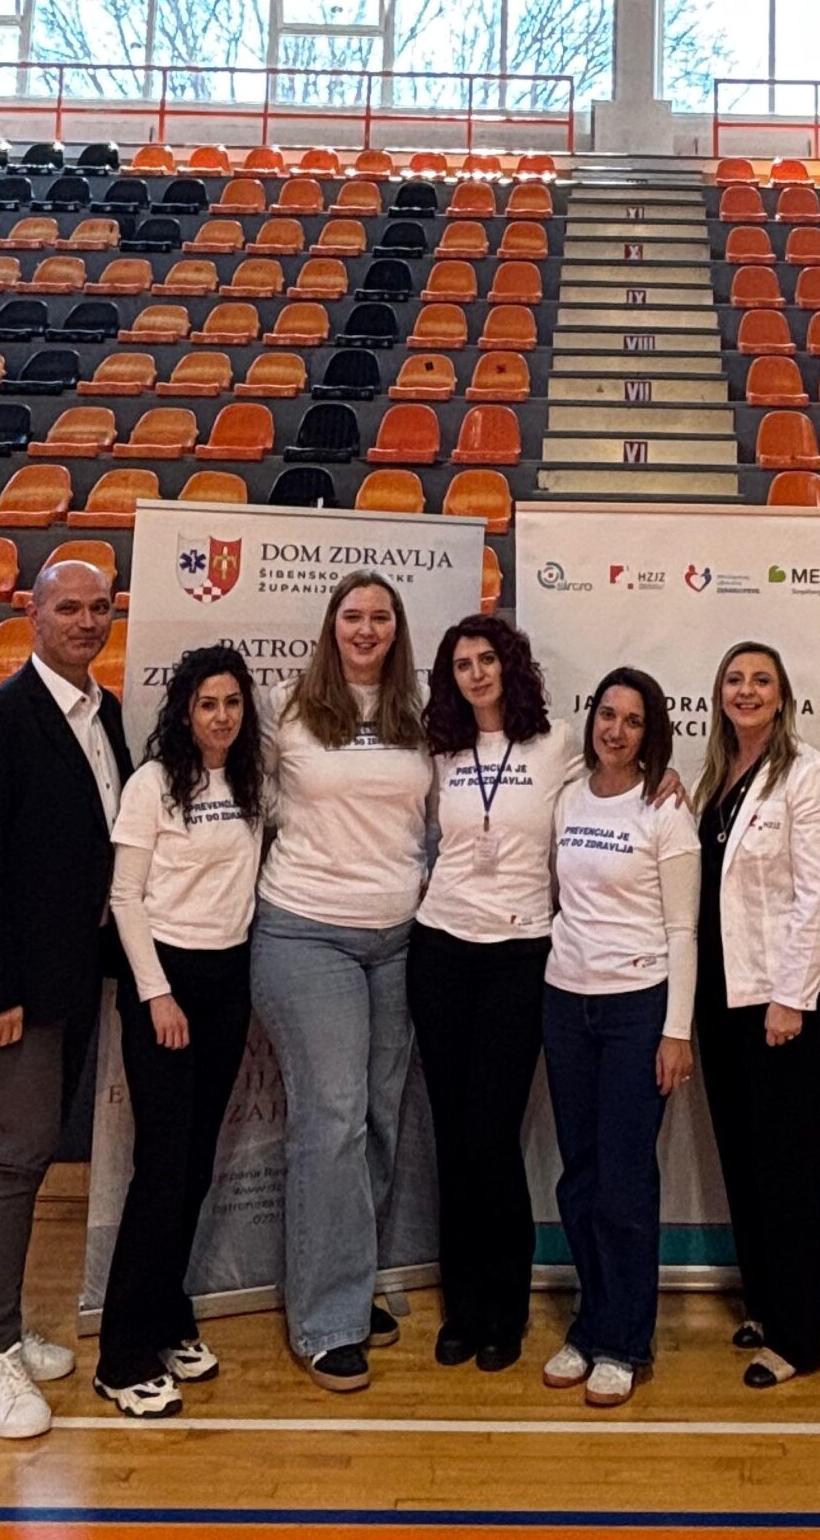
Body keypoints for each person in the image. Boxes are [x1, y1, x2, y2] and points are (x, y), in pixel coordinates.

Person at [0, 559, 130, 1439]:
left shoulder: (105, 714)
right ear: (33, 615)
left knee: (24, 1152)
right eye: (68, 607)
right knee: (15, 1154)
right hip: (8, 989)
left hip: (68, 979)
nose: (86, 621)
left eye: (99, 608)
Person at [248, 573, 433, 1393]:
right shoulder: (285, 706)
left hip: (400, 939)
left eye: (380, 617)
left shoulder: (420, 710)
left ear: (397, 630)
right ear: (331, 626)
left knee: (380, 1119)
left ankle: (351, 1283)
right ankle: (325, 1321)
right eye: (352, 616)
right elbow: (236, 791)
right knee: (332, 1118)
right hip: (305, 931)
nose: (365, 629)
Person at [93, 646, 267, 1417]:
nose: (220, 717)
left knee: (195, 1167)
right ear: (184, 711)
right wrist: (157, 994)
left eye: (231, 703)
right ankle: (122, 1357)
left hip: (228, 982)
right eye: (206, 704)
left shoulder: (253, 781)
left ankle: (166, 1316)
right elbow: (124, 898)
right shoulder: (153, 784)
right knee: (161, 1172)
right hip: (165, 985)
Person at [409, 614, 578, 1372]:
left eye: (486, 659)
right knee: (451, 1136)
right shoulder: (439, 750)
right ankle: (463, 1307)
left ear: (510, 665)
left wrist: (665, 777)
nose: (476, 673)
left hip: (520, 953)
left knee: (491, 1134)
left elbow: (622, 778)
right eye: (461, 664)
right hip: (441, 948)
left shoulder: (556, 743)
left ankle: (504, 1308)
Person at [541, 666, 700, 1409]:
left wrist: (676, 1030)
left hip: (639, 1010)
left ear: (650, 733)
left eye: (633, 721)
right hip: (566, 1003)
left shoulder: (664, 810)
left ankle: (625, 1342)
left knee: (625, 1182)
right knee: (579, 1176)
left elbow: (683, 929)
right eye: (608, 715)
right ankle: (590, 1323)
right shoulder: (568, 795)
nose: (616, 730)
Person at [693, 640, 820, 1388]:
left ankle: (796, 1338)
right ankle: (763, 1300)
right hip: (721, 996)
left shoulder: (807, 774)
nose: (746, 691)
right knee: (744, 1160)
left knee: (787, 1169)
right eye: (734, 679)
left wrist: (790, 996)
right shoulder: (716, 776)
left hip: (782, 1003)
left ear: (782, 697)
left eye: (761, 680)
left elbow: (817, 896)